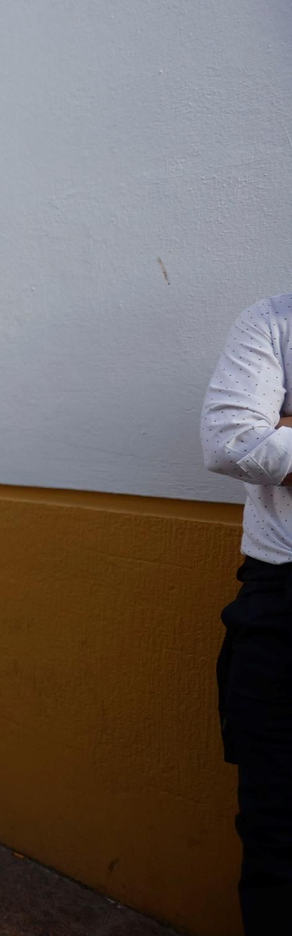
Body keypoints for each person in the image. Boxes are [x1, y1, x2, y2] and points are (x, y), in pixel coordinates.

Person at [202, 291, 292, 934]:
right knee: (276, 832)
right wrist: (266, 436)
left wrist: (284, 429)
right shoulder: (274, 321)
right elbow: (232, 443)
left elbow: (263, 445)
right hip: (281, 604)